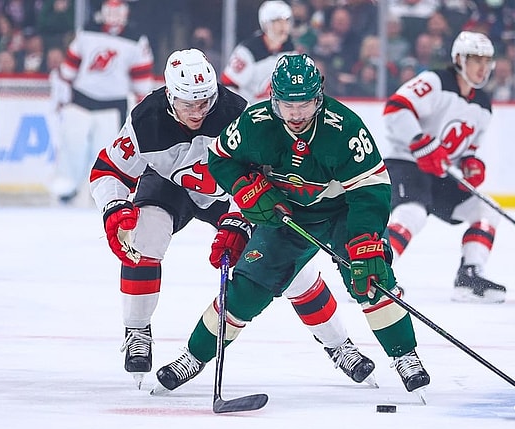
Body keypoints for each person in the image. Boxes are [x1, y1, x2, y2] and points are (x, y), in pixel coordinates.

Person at [90, 48, 376, 389]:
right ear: (169, 95)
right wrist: (114, 209)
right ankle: (137, 330)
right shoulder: (145, 119)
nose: (198, 112)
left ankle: (338, 344)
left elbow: (260, 182)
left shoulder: (238, 114)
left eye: (205, 102)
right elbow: (107, 170)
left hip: (230, 195)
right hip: (169, 186)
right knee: (142, 239)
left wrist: (238, 222)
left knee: (294, 269)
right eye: (188, 104)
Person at [153, 54, 430, 400]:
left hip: (342, 213)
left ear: (319, 98)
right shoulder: (256, 123)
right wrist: (245, 189)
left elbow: (371, 188)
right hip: (285, 216)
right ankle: (193, 356)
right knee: (246, 289)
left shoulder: (344, 128)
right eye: (287, 104)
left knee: (369, 276)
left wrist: (364, 240)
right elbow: (221, 157)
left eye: (304, 104)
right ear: (274, 99)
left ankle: (405, 354)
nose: (296, 114)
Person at [381, 31, 506, 304]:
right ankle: (376, 272)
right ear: (459, 59)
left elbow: (468, 148)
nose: (483, 68)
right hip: (405, 163)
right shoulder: (435, 81)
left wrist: (471, 163)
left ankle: (469, 276)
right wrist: (419, 141)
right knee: (412, 213)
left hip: (439, 171)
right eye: (476, 60)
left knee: (486, 211)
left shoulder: (483, 105)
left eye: (487, 61)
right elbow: (395, 109)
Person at [53, 0, 154, 205]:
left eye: (119, 9)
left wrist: (144, 106)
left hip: (113, 105)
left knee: (107, 152)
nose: (115, 14)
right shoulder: (87, 32)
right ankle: (67, 187)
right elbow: (69, 68)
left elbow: (142, 82)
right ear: (103, 11)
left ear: (126, 12)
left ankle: (103, 190)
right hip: (80, 99)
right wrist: (63, 93)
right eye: (111, 9)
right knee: (72, 145)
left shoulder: (136, 40)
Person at [220, 0, 295, 104]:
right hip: (250, 113)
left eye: (286, 20)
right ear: (265, 24)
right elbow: (227, 85)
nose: (284, 26)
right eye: (277, 21)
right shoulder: (247, 51)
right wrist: (242, 110)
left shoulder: (291, 49)